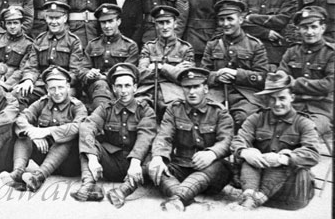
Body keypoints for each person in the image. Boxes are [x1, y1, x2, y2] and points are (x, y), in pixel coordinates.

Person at [229, 71, 320, 211]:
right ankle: (250, 199)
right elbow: (239, 139)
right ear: (267, 99)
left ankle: (250, 202)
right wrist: (244, 152)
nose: (277, 104)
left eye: (282, 98)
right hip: (254, 185)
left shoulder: (304, 123)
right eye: (272, 99)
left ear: (292, 97)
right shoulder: (257, 118)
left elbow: (312, 154)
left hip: (289, 194)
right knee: (250, 151)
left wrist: (282, 159)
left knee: (287, 155)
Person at [148, 67, 234, 212]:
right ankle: (182, 198)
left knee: (219, 167)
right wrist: (158, 157)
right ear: (182, 89)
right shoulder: (174, 109)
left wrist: (211, 154)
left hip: (210, 170)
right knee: (154, 166)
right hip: (182, 165)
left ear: (205, 88)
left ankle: (178, 198)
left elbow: (227, 141)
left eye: (196, 87)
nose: (192, 92)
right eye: (187, 87)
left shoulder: (219, 112)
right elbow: (164, 136)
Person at [73, 63, 157, 208]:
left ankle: (122, 191)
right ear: (113, 88)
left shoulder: (145, 110)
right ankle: (88, 186)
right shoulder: (105, 109)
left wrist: (136, 162)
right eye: (119, 86)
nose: (123, 91)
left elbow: (145, 137)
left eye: (127, 85)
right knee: (87, 144)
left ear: (135, 87)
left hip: (137, 166)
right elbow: (88, 126)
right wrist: (93, 158)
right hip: (112, 163)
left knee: (153, 154)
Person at [2, 65, 87, 192]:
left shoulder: (77, 106)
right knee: (24, 136)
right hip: (45, 155)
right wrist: (33, 134)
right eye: (52, 88)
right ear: (47, 89)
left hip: (69, 163)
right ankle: (18, 173)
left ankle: (38, 177)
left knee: (65, 138)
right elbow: (21, 118)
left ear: (68, 87)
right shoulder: (42, 103)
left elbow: (78, 126)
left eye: (61, 87)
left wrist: (46, 131)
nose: (57, 92)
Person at [203, 0, 270, 130]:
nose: (225, 24)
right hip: (217, 93)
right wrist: (216, 77)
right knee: (208, 117)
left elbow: (263, 77)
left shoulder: (255, 45)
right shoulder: (212, 44)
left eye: (230, 19)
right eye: (221, 19)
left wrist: (237, 74)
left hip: (245, 96)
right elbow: (203, 73)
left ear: (240, 20)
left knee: (244, 118)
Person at [16, 1, 89, 106]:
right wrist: (28, 80)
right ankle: (24, 120)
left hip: (64, 86)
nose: (54, 22)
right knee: (19, 93)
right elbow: (32, 67)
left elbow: (75, 71)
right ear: (46, 18)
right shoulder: (39, 40)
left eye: (57, 18)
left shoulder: (74, 41)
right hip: (42, 84)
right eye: (50, 18)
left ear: (65, 18)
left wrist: (57, 83)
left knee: (61, 100)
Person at [278, 6, 334, 136]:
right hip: (292, 107)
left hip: (320, 109)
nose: (309, 32)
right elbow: (281, 77)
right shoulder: (292, 51)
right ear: (299, 30)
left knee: (303, 132)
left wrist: (294, 83)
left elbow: (328, 85)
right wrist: (280, 77)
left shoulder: (330, 54)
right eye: (305, 27)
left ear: (323, 28)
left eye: (314, 27)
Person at [137, 6, 195, 113]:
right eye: (160, 23)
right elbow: (141, 74)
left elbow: (186, 78)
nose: (164, 27)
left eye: (168, 22)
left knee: (177, 110)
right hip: (147, 92)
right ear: (156, 25)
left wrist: (160, 67)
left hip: (173, 94)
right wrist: (173, 71)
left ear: (175, 23)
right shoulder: (149, 47)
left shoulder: (185, 48)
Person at [82, 4, 139, 111]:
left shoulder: (130, 46)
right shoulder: (92, 45)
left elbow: (129, 71)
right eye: (103, 22)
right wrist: (88, 74)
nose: (107, 26)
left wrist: (104, 77)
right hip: (95, 87)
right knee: (100, 85)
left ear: (118, 22)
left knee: (102, 84)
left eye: (110, 21)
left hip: (119, 86)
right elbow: (83, 68)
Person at [241, 0, 294, 66]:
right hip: (249, 51)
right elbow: (240, 22)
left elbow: (281, 21)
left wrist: (251, 17)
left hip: (274, 53)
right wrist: (266, 33)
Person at [0, 6, 33, 94]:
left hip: (13, 82)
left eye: (15, 23)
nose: (12, 26)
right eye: (9, 23)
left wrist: (5, 84)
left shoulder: (28, 44)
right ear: (4, 24)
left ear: (21, 24)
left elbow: (22, 70)